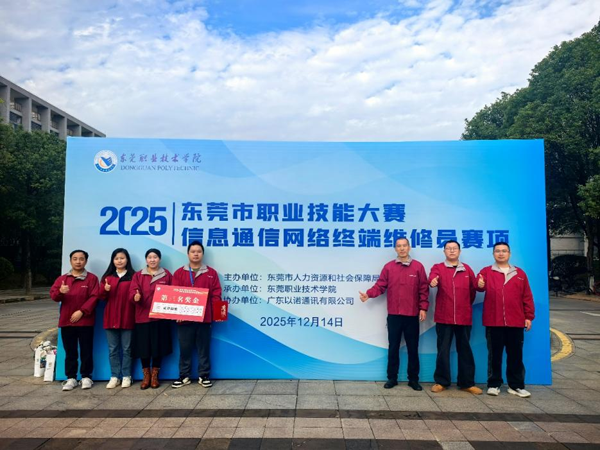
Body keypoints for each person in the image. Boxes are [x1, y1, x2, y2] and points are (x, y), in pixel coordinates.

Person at [359, 237, 429, 390]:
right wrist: (369, 294)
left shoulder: (418, 267)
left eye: (404, 245)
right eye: (399, 246)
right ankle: (392, 378)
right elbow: (380, 285)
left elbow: (423, 289)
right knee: (393, 347)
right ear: (395, 249)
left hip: (412, 315)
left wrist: (423, 308)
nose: (402, 248)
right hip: (394, 315)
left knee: (413, 348)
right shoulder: (389, 267)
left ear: (409, 247)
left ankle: (413, 380)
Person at [477, 242, 535, 398]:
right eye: (497, 251)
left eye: (504, 251)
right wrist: (480, 284)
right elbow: (479, 286)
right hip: (494, 321)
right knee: (494, 355)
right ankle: (493, 384)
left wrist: (528, 316)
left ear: (509, 254)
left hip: (515, 321)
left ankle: (516, 386)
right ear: (493, 254)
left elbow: (527, 296)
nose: (501, 253)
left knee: (515, 355)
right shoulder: (486, 271)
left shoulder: (519, 274)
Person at [428, 240, 481, 395]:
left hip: (463, 317)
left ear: (459, 251)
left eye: (454, 248)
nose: (451, 251)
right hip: (444, 317)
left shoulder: (467, 269)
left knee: (465, 350)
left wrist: (464, 305)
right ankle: (441, 382)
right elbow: (432, 278)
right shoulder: (438, 268)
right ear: (444, 251)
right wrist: (433, 281)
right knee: (443, 350)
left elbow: (473, 290)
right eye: (448, 248)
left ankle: (467, 383)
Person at [171, 241, 222, 389]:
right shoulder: (179, 273)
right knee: (184, 349)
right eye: (193, 251)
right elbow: (174, 294)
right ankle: (184, 376)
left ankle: (204, 375)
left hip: (204, 318)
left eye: (198, 251)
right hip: (184, 319)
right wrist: (177, 313)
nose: (196, 254)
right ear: (188, 254)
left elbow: (216, 294)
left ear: (202, 254)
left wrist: (214, 313)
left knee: (203, 348)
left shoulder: (211, 273)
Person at [50, 250, 100, 391]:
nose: (78, 261)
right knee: (70, 351)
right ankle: (71, 377)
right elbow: (54, 296)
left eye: (81, 259)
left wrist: (82, 311)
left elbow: (95, 297)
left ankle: (86, 376)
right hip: (67, 321)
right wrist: (61, 292)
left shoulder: (92, 279)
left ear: (86, 261)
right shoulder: (62, 279)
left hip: (85, 321)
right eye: (75, 259)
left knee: (86, 350)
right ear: (70, 261)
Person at [130, 248, 173, 389]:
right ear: (146, 259)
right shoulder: (138, 275)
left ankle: (155, 376)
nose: (152, 259)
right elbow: (132, 291)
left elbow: (173, 293)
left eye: (155, 257)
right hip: (142, 317)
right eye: (150, 257)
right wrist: (135, 297)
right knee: (144, 347)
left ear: (159, 259)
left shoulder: (167, 275)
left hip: (160, 318)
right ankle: (146, 376)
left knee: (157, 347)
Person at [100, 248, 136, 389]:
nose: (119, 261)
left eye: (122, 258)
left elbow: (135, 296)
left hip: (127, 316)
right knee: (113, 349)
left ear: (127, 260)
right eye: (116, 258)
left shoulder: (133, 276)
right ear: (113, 261)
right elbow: (101, 297)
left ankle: (127, 375)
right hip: (111, 317)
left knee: (127, 349)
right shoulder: (107, 277)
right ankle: (115, 376)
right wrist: (105, 290)